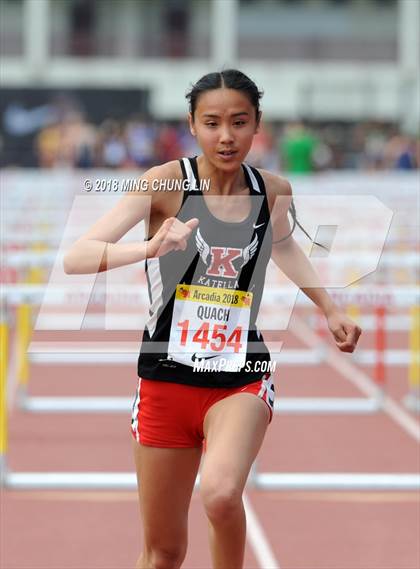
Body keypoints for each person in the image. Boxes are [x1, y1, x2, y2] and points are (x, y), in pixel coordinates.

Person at [64, 69, 362, 569]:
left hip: (240, 376)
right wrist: (148, 247)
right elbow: (77, 257)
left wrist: (329, 307)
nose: (227, 136)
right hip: (164, 380)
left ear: (257, 125)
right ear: (192, 125)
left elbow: (284, 244)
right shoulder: (163, 183)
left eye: (239, 123)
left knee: (222, 495)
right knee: (163, 553)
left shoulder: (271, 190)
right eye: (213, 123)